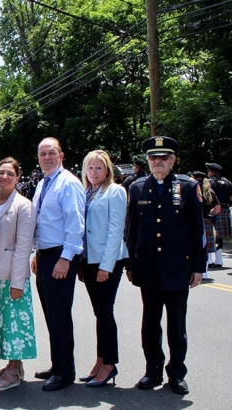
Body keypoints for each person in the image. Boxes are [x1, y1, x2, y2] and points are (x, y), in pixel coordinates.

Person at [126, 136, 205, 395]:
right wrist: (131, 264)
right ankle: (152, 370)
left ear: (173, 161)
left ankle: (177, 373)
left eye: (163, 158)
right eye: (153, 158)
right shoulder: (137, 188)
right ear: (147, 161)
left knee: (176, 326)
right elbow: (132, 230)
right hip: (148, 268)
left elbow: (198, 230)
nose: (158, 162)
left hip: (177, 268)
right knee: (150, 322)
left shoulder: (188, 187)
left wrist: (198, 267)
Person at [30, 137, 85, 392]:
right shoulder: (43, 183)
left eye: (51, 153)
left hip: (60, 257)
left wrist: (65, 259)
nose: (47, 158)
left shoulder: (68, 183)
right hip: (45, 255)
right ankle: (57, 364)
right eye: (42, 154)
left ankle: (64, 373)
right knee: (52, 315)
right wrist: (36, 253)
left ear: (61, 156)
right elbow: (44, 221)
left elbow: (75, 225)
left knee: (60, 316)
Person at [0, 157, 37, 392]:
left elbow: (24, 246)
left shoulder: (23, 205)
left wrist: (17, 282)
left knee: (13, 324)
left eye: (9, 174)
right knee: (2, 323)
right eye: (1, 172)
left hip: (12, 275)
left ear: (17, 177)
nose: (4, 177)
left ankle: (13, 372)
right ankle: (14, 365)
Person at [78, 150, 128, 388]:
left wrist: (106, 266)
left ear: (107, 170)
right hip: (89, 261)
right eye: (90, 168)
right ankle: (100, 361)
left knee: (106, 314)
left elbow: (115, 231)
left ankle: (109, 364)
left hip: (107, 262)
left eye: (99, 168)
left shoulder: (115, 191)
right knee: (100, 314)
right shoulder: (86, 191)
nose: (94, 172)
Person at [192, 171, 220, 281]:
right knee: (205, 248)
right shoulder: (209, 192)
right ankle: (205, 273)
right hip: (206, 221)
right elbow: (217, 208)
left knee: (195, 247)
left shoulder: (192, 190)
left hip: (194, 221)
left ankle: (195, 271)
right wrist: (209, 214)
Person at [207, 163, 232, 268]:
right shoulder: (227, 182)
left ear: (212, 172)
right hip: (224, 209)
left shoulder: (209, 182)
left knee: (210, 236)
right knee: (219, 237)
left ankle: (210, 260)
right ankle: (219, 260)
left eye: (208, 171)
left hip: (213, 209)